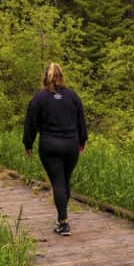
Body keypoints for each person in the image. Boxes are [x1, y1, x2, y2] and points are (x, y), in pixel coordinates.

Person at [22, 62, 87, 236]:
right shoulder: (73, 96)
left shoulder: (39, 98)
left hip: (50, 145)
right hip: (71, 145)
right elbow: (81, 121)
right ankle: (62, 219)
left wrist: (28, 144)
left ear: (45, 78)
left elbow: (31, 123)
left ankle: (63, 222)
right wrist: (82, 141)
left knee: (58, 182)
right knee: (65, 181)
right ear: (62, 77)